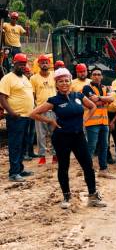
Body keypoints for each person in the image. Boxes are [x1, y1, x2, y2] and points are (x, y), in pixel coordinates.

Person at [29, 68, 106, 209]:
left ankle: (93, 196)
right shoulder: (54, 100)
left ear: (70, 81)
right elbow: (33, 113)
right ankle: (66, 196)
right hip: (62, 138)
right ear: (56, 84)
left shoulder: (78, 96)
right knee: (64, 167)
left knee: (88, 165)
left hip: (79, 137)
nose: (64, 83)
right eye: (61, 81)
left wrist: (85, 120)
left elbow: (93, 106)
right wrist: (50, 122)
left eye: (66, 80)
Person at [0, 53, 34, 182]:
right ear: (14, 63)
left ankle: (20, 169)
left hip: (27, 116)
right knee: (15, 144)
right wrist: (11, 112)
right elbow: (2, 97)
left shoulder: (25, 78)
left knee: (24, 143)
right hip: (16, 117)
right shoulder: (7, 78)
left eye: (24, 63)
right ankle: (14, 173)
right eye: (20, 63)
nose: (22, 66)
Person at [82, 68, 115, 179]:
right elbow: (92, 100)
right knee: (91, 146)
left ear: (102, 76)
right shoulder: (87, 88)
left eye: (99, 74)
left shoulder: (105, 87)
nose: (96, 76)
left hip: (104, 121)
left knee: (104, 146)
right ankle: (87, 170)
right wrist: (104, 100)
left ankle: (103, 170)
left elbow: (111, 99)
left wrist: (100, 98)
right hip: (92, 122)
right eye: (94, 74)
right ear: (91, 76)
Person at [30, 54, 57, 165]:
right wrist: (34, 108)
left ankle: (55, 155)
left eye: (46, 62)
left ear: (49, 64)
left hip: (54, 109)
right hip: (40, 110)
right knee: (41, 135)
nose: (44, 64)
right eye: (42, 62)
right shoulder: (33, 78)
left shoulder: (54, 76)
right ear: (39, 64)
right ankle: (42, 156)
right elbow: (32, 94)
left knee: (55, 133)